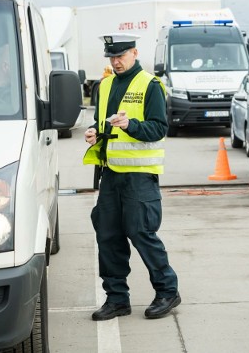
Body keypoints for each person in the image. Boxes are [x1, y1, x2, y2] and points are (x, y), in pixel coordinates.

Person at [83, 33, 180, 321]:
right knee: (108, 236)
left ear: (134, 53)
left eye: (121, 56)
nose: (116, 61)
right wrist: (95, 132)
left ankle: (167, 291)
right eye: (112, 57)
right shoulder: (106, 84)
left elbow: (158, 129)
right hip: (111, 174)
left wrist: (131, 125)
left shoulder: (150, 85)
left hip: (139, 176)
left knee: (141, 233)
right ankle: (116, 299)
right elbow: (105, 124)